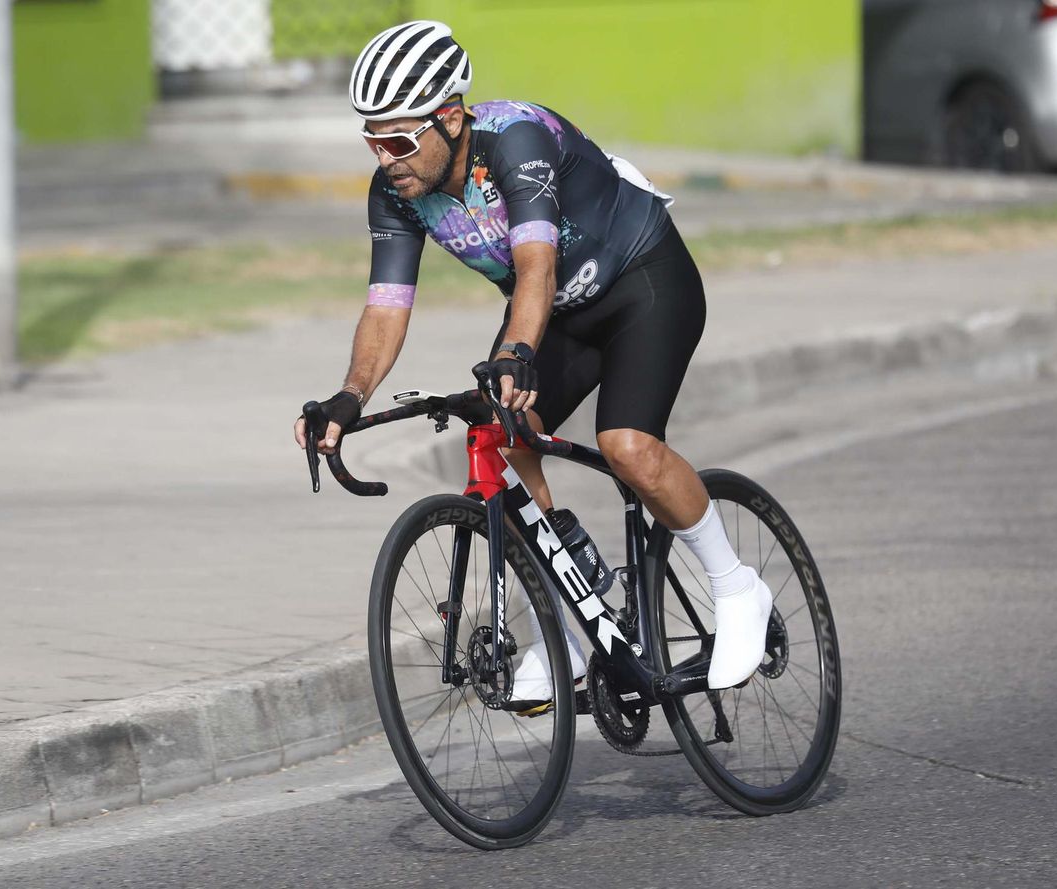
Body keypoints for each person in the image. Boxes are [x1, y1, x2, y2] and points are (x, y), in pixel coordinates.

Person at [293, 20, 773, 698]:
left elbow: (536, 266)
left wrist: (517, 350)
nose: (384, 156)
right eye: (370, 139)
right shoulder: (398, 191)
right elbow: (386, 306)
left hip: (644, 282)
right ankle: (577, 628)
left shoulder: (516, 141)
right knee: (499, 437)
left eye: (398, 138)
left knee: (628, 446)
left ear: (452, 117)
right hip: (560, 315)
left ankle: (736, 587)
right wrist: (349, 396)